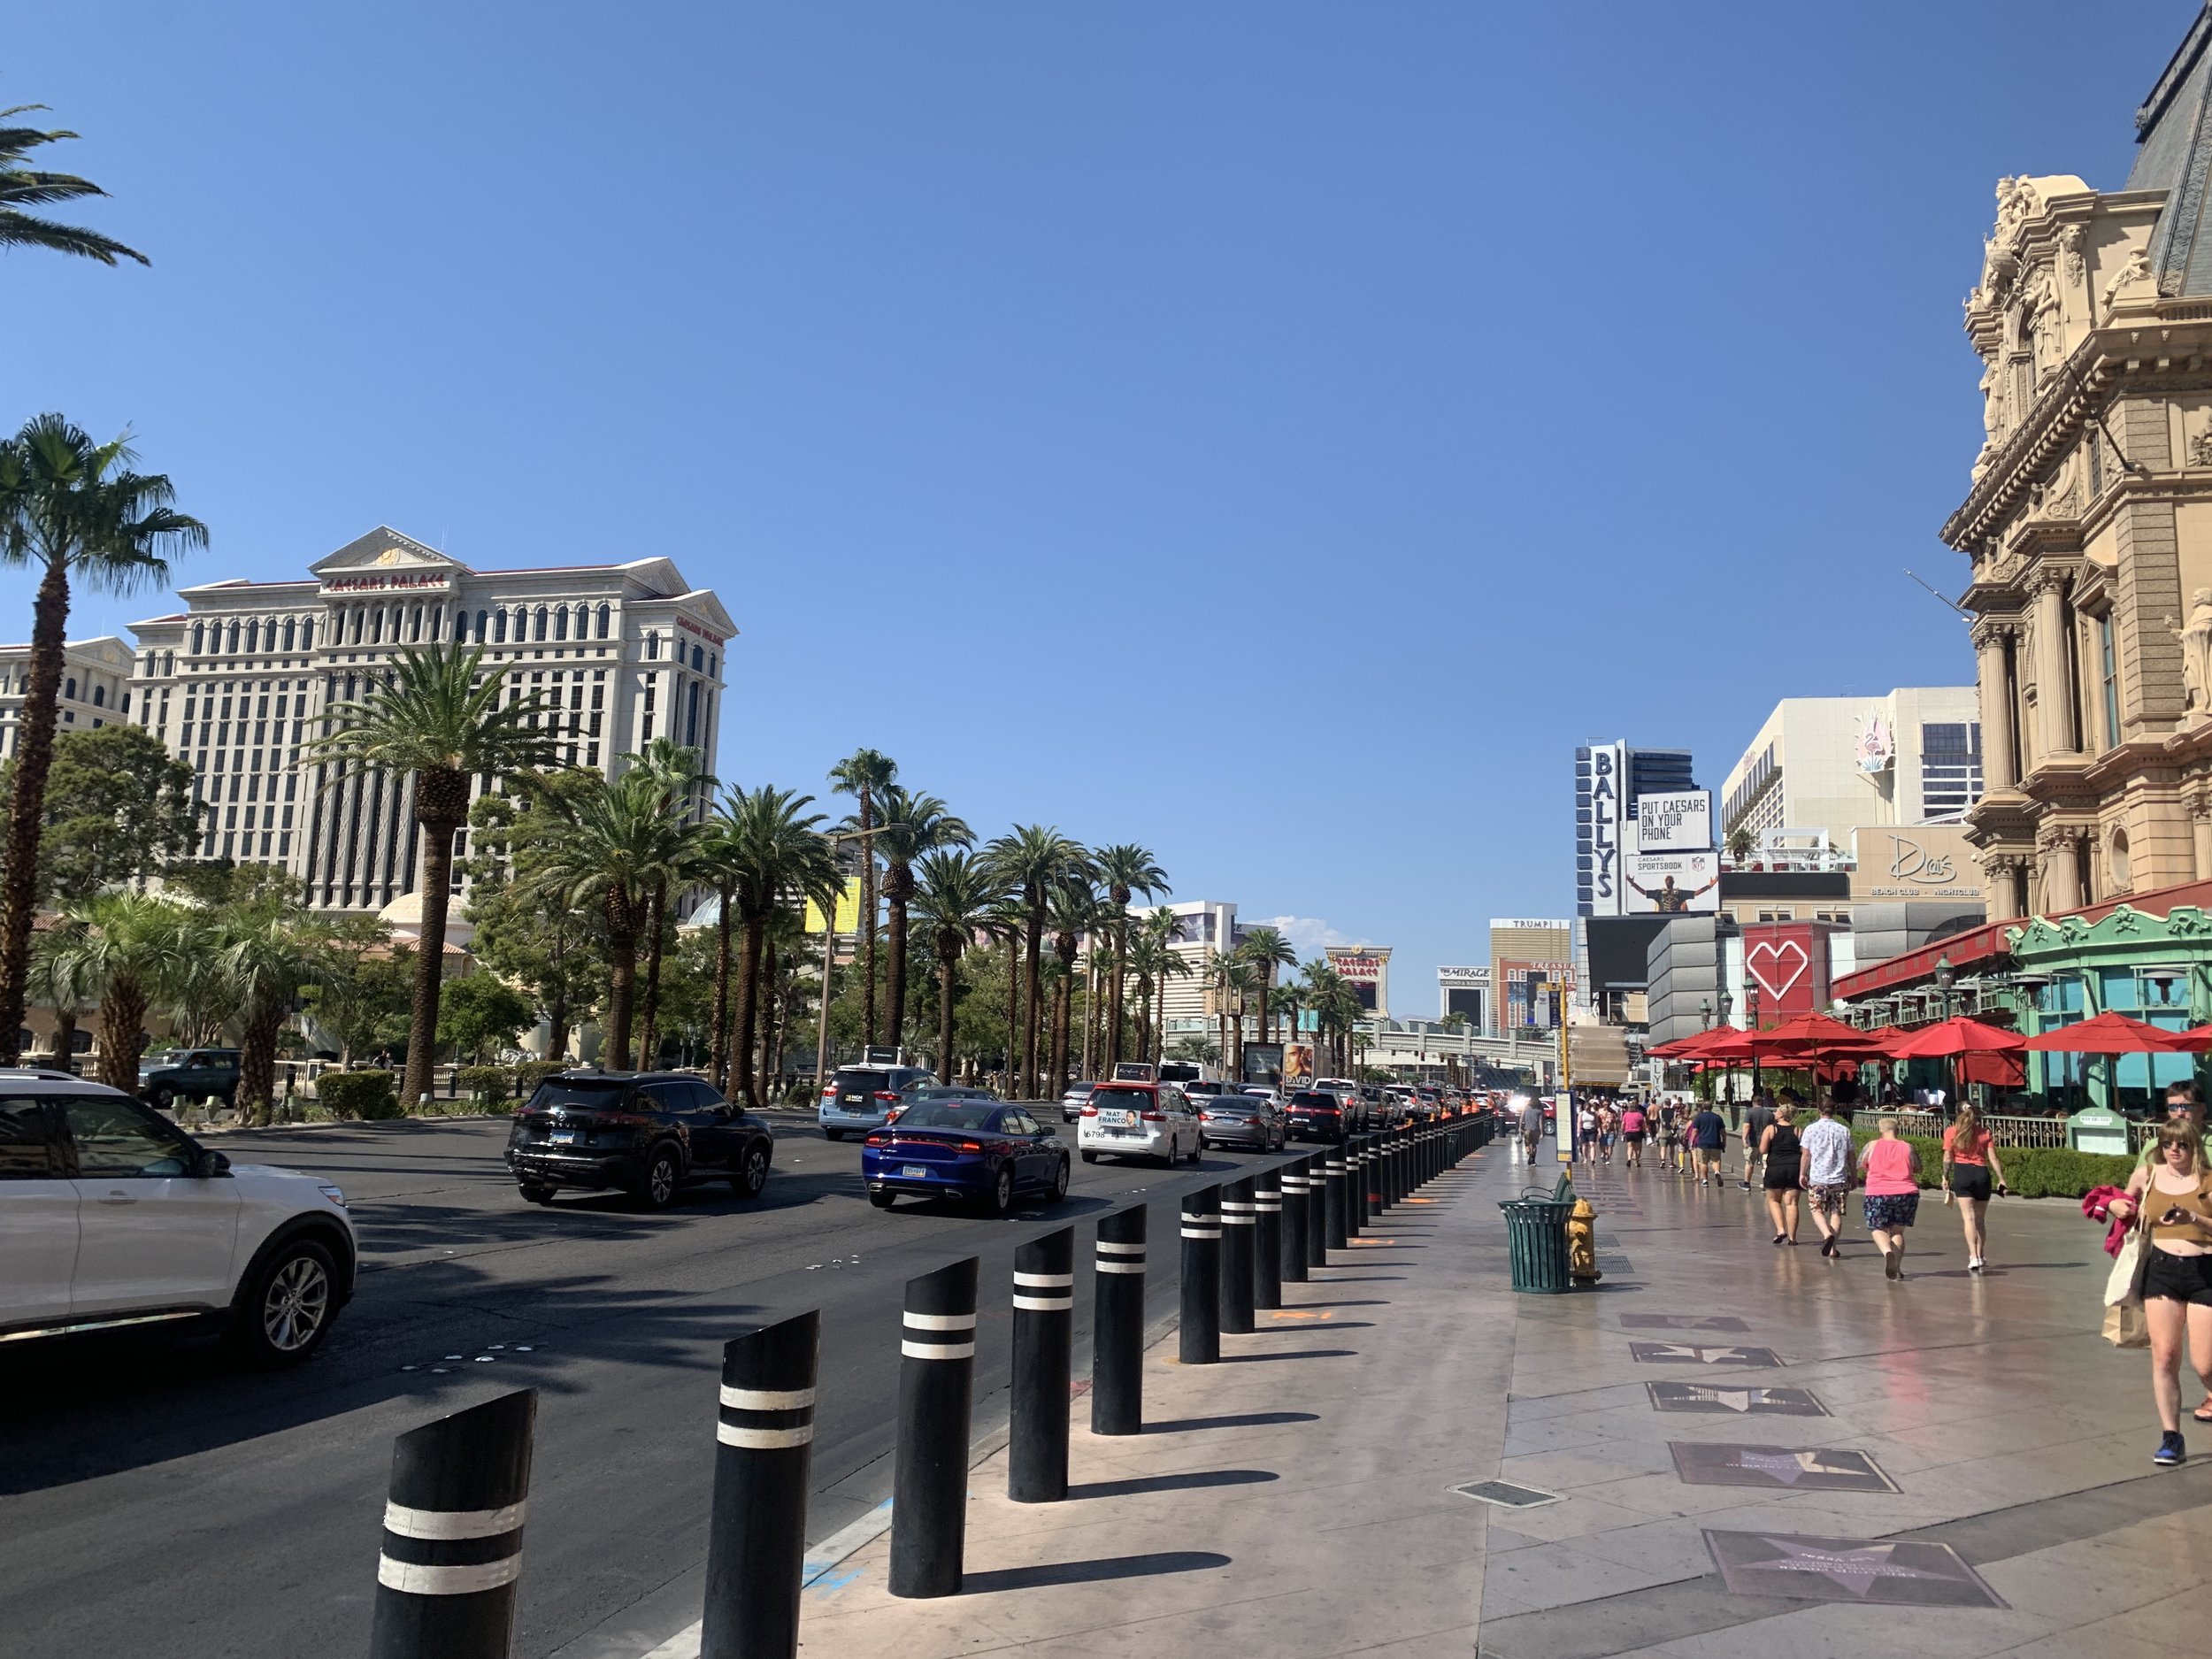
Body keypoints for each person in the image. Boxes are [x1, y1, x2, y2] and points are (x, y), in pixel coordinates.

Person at [2108, 1123, 2212, 1467]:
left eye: (2181, 1144)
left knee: (2205, 1362)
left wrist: (2192, 1216)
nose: (2174, 1150)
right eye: (2167, 1143)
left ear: (2193, 1145)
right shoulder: (2147, 1174)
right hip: (2163, 1270)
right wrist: (2115, 1206)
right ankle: (2171, 1437)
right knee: (2165, 1357)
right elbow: (2124, 1203)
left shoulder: (2209, 1179)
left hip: (2204, 1272)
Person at [1942, 1102, 2008, 1273]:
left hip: (1962, 1174)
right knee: (1980, 1220)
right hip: (1981, 1175)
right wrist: (2001, 1179)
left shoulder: (1951, 1132)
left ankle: (1973, 1257)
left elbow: (1948, 1157)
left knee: (1968, 1219)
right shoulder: (1984, 1133)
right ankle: (1980, 1254)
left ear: (1956, 1114)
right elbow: (1993, 1158)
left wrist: (1945, 1176)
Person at [1857, 1115, 1923, 1280]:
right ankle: (1898, 1269)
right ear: (1897, 1130)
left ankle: (1887, 1252)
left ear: (1881, 1130)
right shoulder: (1908, 1147)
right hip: (1906, 1192)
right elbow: (1918, 1168)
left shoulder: (1872, 1146)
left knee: (1877, 1228)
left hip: (1877, 1192)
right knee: (1898, 1231)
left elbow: (1860, 1164)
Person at [1800, 1094, 1855, 1258]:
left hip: (1818, 1178)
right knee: (1836, 1213)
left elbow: (1806, 1155)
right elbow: (1851, 1155)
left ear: (1819, 1110)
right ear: (1835, 1110)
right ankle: (1833, 1248)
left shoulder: (1811, 1129)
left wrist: (1802, 1173)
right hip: (1839, 1177)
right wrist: (1853, 1174)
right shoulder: (1844, 1130)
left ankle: (1826, 1234)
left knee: (1816, 1209)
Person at [2138, 1082, 2209, 1171]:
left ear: (2203, 1108)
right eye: (2173, 1107)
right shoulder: (2154, 1146)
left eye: (2187, 1107)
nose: (2180, 1113)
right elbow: (2142, 1182)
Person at [1761, 1103, 1803, 1244]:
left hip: (1775, 1168)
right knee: (1792, 1203)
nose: (1774, 1112)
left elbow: (1763, 1149)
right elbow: (1803, 1150)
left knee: (1773, 1200)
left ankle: (1780, 1230)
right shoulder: (1797, 1130)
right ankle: (1793, 1238)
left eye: (1776, 1110)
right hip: (1794, 1168)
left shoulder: (1771, 1129)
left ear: (1780, 1114)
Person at [1741, 1092, 1777, 1191]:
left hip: (1753, 1142)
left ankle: (1747, 1184)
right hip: (1766, 1143)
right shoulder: (1769, 1114)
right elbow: (1773, 1128)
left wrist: (1744, 1138)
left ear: (1753, 1102)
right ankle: (1766, 1184)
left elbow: (1747, 1126)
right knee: (1764, 1164)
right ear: (1762, 1103)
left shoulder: (1750, 1112)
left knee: (1749, 1163)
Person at [1688, 1100, 1728, 1186]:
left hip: (1703, 1144)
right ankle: (1717, 1172)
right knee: (1716, 1160)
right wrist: (1724, 1142)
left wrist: (1691, 1142)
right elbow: (1723, 1132)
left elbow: (1695, 1131)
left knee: (1703, 1162)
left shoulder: (1700, 1117)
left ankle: (1705, 1180)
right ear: (1712, 1107)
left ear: (1703, 1107)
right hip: (1715, 1143)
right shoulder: (1717, 1117)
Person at [1620, 1098, 1647, 1167]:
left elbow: (1623, 1124)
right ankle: (1637, 1162)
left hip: (1628, 1132)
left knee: (1630, 1147)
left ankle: (1629, 1159)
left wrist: (1622, 1131)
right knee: (1637, 1148)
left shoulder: (1626, 1114)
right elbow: (1643, 1125)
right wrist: (1645, 1132)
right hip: (1637, 1133)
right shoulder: (1639, 1115)